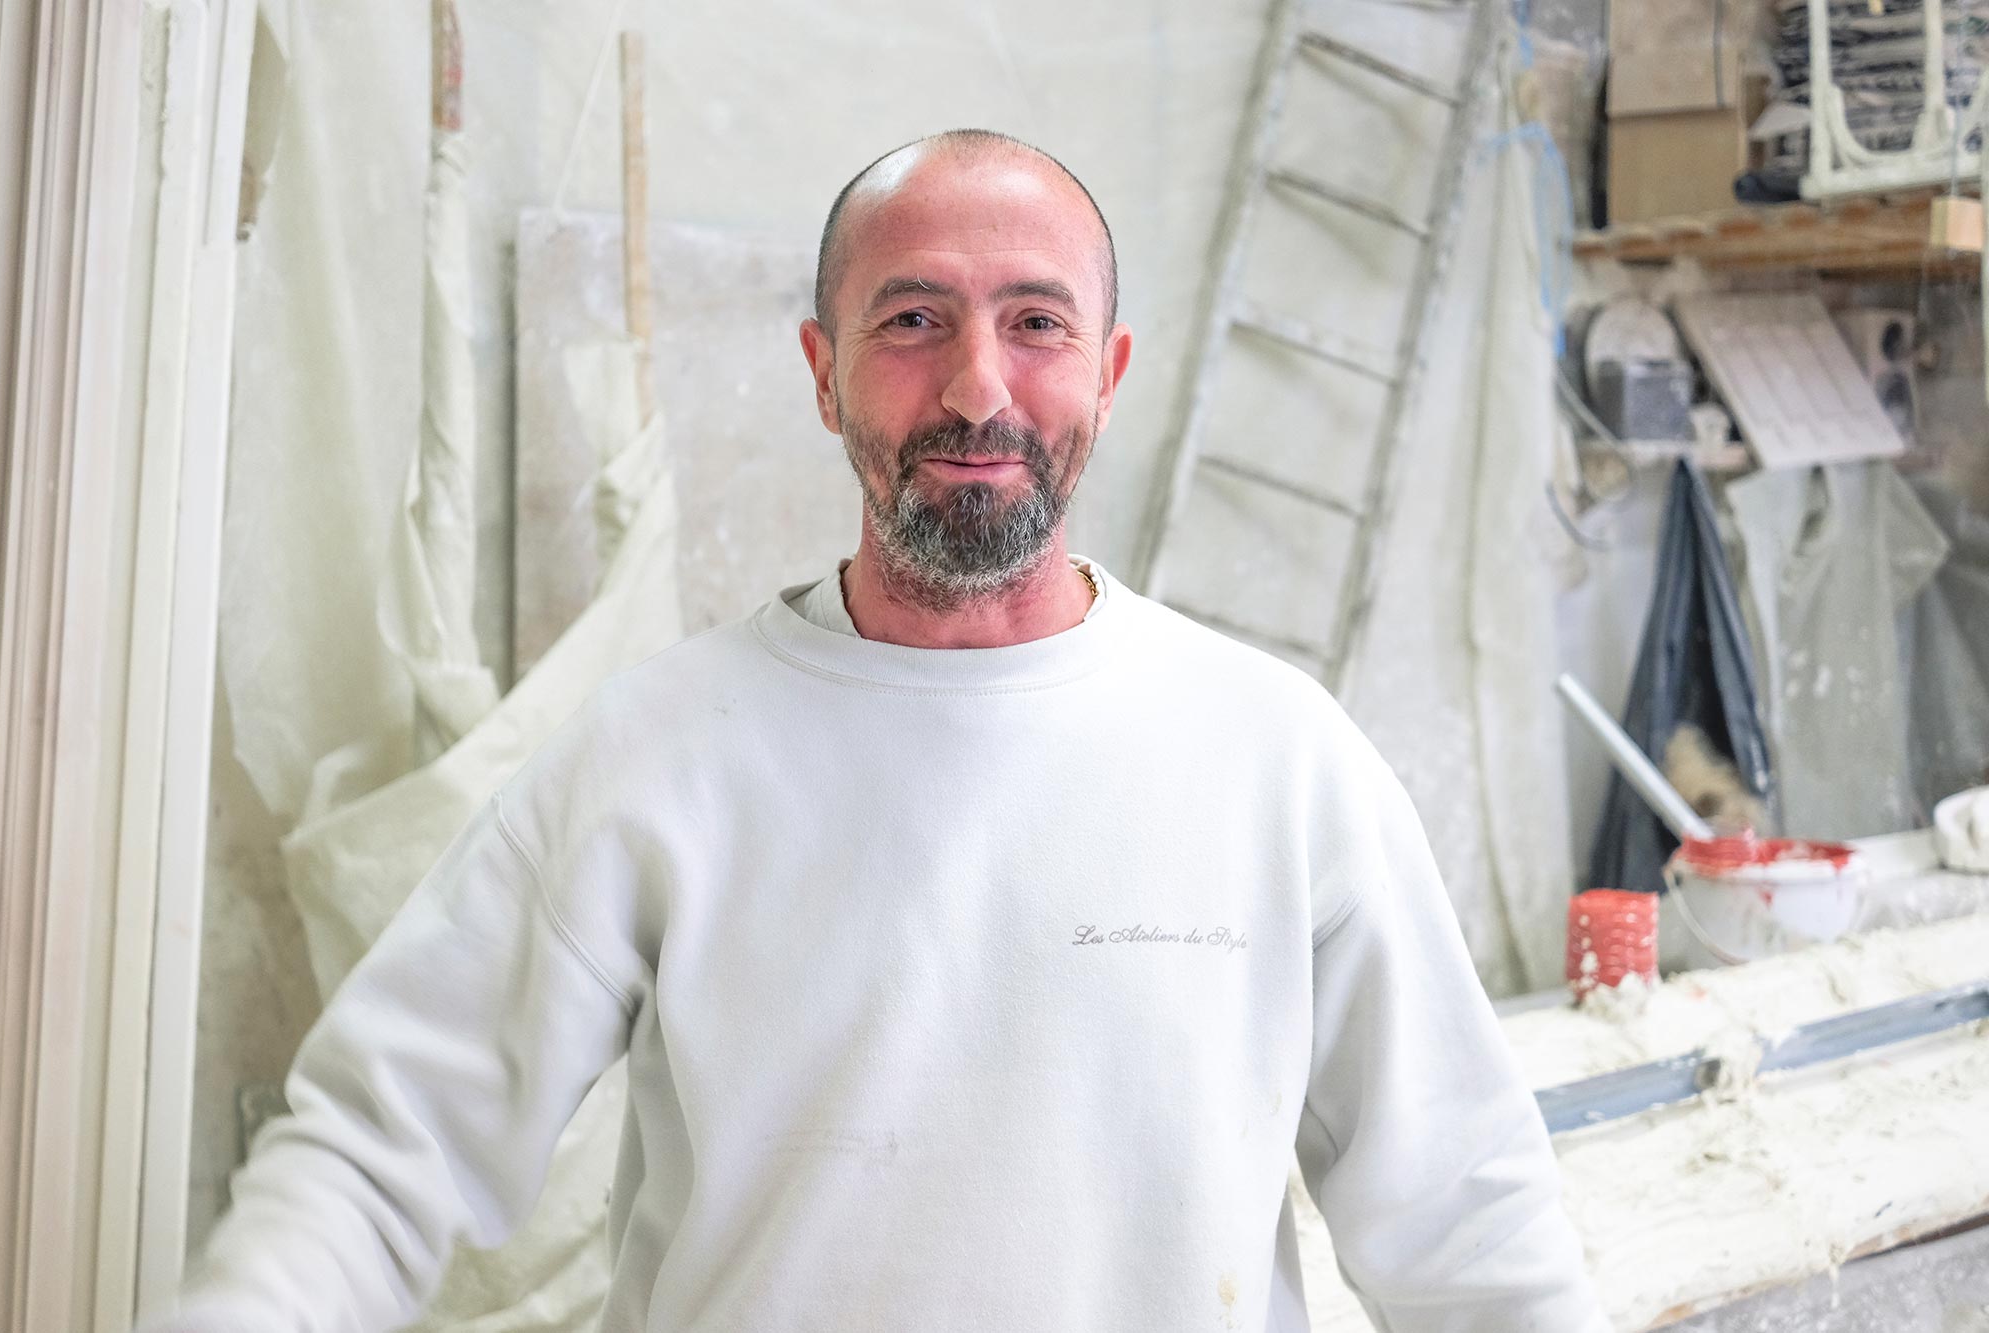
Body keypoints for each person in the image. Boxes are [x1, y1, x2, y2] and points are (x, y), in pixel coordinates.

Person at [146, 129, 1607, 1332]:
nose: (978, 385)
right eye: (914, 320)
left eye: (1037, 323)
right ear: (823, 367)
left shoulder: (1277, 759)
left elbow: (1468, 1220)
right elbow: (384, 1143)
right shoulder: (662, 752)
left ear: (1109, 368)